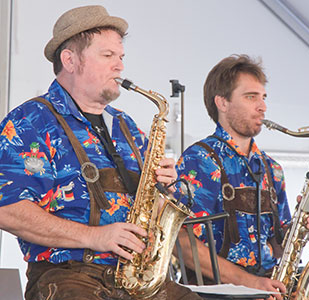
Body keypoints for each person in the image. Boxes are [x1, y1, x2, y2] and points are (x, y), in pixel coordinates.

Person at [0, 5, 202, 300]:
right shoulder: (30, 121)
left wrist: (167, 187)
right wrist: (96, 237)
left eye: (120, 57)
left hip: (138, 278)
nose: (119, 66)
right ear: (70, 60)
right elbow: (8, 209)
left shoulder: (128, 127)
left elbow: (155, 209)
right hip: (69, 276)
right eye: (107, 56)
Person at [175, 54, 309, 300]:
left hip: (263, 289)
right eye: (251, 97)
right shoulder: (198, 160)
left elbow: (277, 248)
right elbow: (181, 244)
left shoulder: (272, 168)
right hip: (212, 294)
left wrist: (301, 226)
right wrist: (250, 283)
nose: (262, 106)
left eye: (263, 97)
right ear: (222, 103)